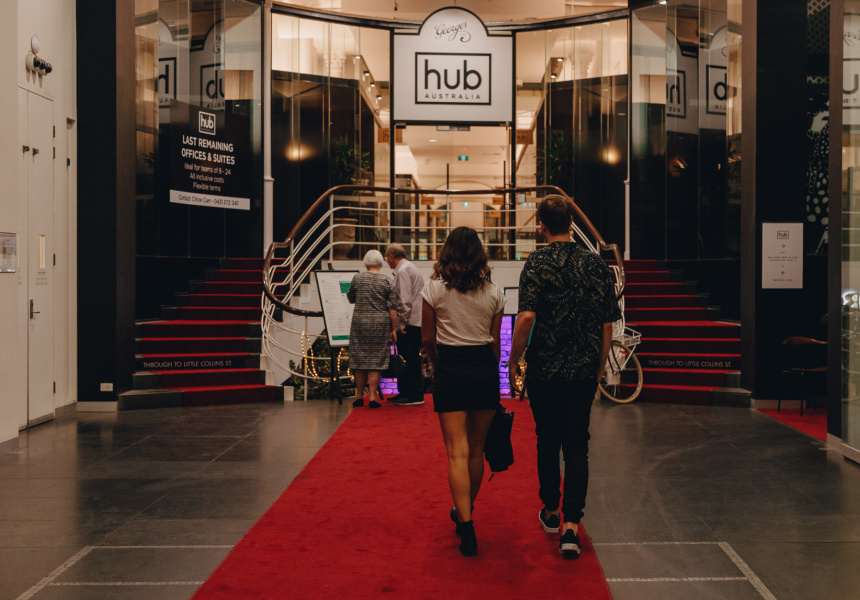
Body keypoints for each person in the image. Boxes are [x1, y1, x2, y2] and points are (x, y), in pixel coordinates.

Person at [507, 195, 621, 559]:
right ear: (571, 223)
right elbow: (607, 324)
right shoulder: (595, 264)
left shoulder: (536, 262)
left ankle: (551, 511)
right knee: (576, 445)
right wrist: (600, 366)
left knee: (547, 441)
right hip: (583, 369)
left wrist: (513, 359)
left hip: (545, 370)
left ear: (541, 226)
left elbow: (526, 318)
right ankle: (571, 527)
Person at [421, 227, 505, 557]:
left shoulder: (433, 289)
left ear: (447, 251)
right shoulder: (495, 292)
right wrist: (488, 371)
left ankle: (466, 527)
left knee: (457, 451)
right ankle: (464, 508)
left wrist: (437, 363)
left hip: (450, 368)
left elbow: (428, 338)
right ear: (479, 253)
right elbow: (495, 344)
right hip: (483, 368)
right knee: (476, 451)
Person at [346, 249, 398, 409]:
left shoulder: (357, 278)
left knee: (359, 360)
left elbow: (351, 298)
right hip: (380, 324)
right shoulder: (387, 281)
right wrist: (394, 329)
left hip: (360, 323)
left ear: (366, 262)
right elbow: (392, 308)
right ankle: (373, 398)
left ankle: (359, 396)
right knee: (376, 361)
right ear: (381, 263)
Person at [385, 243, 425, 406]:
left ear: (391, 256)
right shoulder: (409, 267)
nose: (386, 260)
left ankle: (413, 394)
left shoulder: (402, 271)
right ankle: (406, 392)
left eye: (386, 257)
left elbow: (404, 301)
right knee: (409, 357)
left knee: (409, 358)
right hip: (415, 320)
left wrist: (399, 326)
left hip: (410, 322)